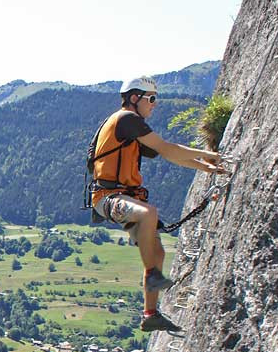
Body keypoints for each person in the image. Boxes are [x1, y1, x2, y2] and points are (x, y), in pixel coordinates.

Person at [88, 76, 228, 332]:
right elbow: (166, 148)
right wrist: (207, 156)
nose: (154, 104)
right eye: (150, 98)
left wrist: (206, 166)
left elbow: (170, 153)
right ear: (134, 98)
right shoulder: (127, 120)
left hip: (122, 198)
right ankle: (153, 276)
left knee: (159, 252)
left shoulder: (132, 128)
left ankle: (150, 314)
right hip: (109, 199)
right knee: (147, 213)